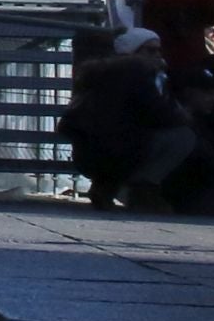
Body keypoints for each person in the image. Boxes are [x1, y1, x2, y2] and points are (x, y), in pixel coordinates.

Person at [58, 27, 195, 213]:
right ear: (133, 51)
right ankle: (144, 187)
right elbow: (159, 112)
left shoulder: (101, 72)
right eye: (149, 50)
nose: (156, 55)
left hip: (90, 150)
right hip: (121, 149)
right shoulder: (136, 71)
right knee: (183, 136)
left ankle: (107, 186)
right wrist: (184, 113)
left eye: (158, 50)